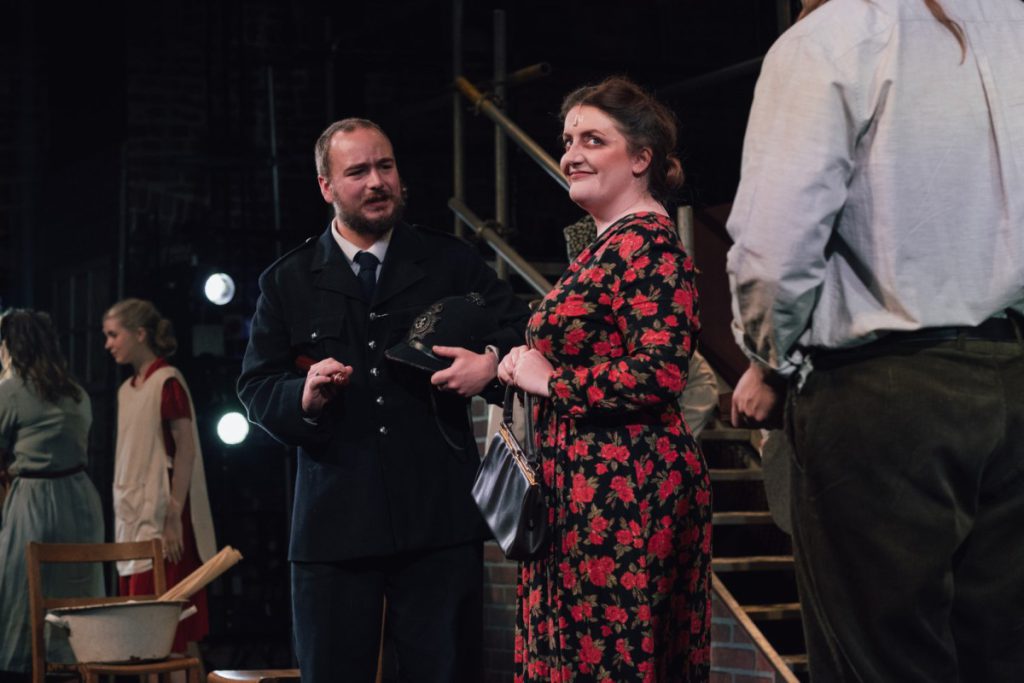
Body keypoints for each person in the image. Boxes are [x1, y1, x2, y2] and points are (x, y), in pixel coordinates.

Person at [726, 0, 1024, 680]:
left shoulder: (838, 34)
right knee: (1000, 657)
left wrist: (767, 358)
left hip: (882, 389)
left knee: (879, 663)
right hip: (1011, 379)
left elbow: (775, 253)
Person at [237, 117, 530, 683]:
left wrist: (490, 365)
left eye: (385, 166)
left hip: (439, 517)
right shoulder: (289, 280)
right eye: (358, 172)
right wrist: (304, 395)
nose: (377, 181)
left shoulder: (450, 263)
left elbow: (521, 333)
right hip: (334, 525)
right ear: (326, 186)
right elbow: (255, 387)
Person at [498, 76, 712, 681]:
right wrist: (514, 368)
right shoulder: (604, 245)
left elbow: (660, 372)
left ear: (641, 158)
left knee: (618, 664)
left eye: (594, 139)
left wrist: (550, 381)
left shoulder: (650, 246)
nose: (572, 153)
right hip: (581, 492)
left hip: (626, 496)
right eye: (568, 139)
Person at [102, 298, 217, 670]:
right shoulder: (125, 390)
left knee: (173, 626)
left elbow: (185, 451)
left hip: (166, 516)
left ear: (140, 334)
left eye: (114, 335)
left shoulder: (166, 380)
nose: (109, 344)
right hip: (135, 513)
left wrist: (172, 516)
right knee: (146, 631)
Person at [0, 309, 105, 681]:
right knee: (76, 589)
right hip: (80, 498)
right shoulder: (75, 392)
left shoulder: (11, 390)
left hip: (35, 497)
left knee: (23, 590)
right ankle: (72, 665)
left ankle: (25, 668)